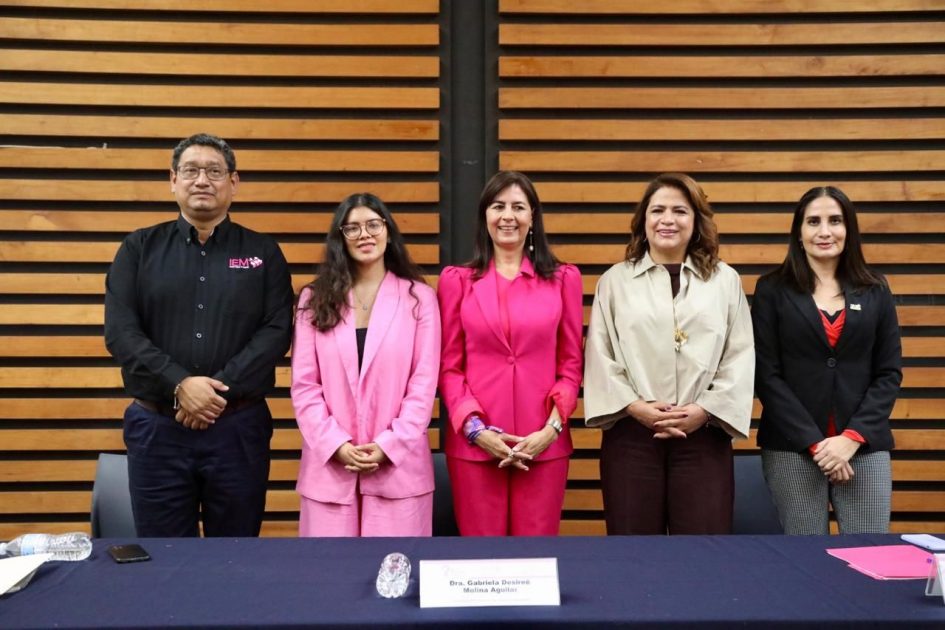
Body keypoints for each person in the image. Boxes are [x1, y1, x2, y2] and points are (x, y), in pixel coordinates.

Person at [104, 133, 294, 537]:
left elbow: (277, 331)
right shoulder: (138, 249)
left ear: (234, 182)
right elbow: (121, 333)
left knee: (237, 559)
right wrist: (180, 385)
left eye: (214, 171)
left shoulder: (263, 252)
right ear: (173, 180)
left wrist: (212, 394)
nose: (202, 180)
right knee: (164, 560)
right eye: (190, 170)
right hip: (157, 430)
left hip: (238, 429)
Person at [583, 172, 754, 535]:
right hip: (632, 435)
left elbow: (738, 357)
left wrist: (704, 409)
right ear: (643, 221)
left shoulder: (725, 281)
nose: (667, 219)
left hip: (703, 433)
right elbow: (600, 355)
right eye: (657, 210)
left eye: (680, 210)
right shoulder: (615, 281)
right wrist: (635, 407)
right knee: (633, 550)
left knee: (703, 552)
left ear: (696, 221)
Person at [438, 170, 583, 536]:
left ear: (532, 217)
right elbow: (449, 367)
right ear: (485, 215)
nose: (508, 216)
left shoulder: (564, 279)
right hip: (476, 446)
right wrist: (475, 430)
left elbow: (570, 365)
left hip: (542, 445)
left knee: (535, 559)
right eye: (498, 206)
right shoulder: (457, 281)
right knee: (480, 560)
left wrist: (551, 429)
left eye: (519, 207)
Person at [752, 186, 902, 535]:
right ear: (799, 233)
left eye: (835, 220)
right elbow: (767, 375)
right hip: (794, 446)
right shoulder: (772, 290)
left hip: (864, 445)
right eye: (813, 221)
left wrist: (850, 438)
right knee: (804, 559)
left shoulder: (876, 289)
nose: (825, 231)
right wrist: (818, 445)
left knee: (869, 555)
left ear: (848, 229)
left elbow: (888, 373)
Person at [291, 193, 440, 537]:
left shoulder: (419, 298)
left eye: (373, 224)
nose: (365, 235)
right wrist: (335, 444)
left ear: (388, 231)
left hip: (398, 469)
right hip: (330, 469)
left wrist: (390, 444)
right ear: (340, 238)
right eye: (352, 228)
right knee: (330, 580)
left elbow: (423, 383)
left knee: (395, 582)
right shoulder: (313, 300)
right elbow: (304, 385)